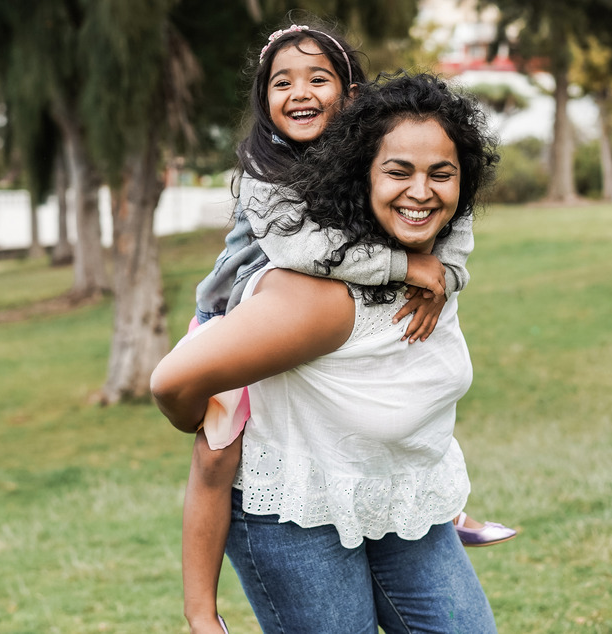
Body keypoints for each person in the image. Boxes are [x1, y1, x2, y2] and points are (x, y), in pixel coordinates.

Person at [153, 71, 501, 632]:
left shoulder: (433, 264)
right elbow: (172, 381)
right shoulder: (318, 298)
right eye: (397, 172)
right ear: (360, 173)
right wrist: (210, 421)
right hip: (296, 514)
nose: (421, 192)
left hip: (398, 501)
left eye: (442, 173)